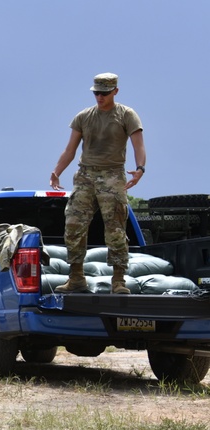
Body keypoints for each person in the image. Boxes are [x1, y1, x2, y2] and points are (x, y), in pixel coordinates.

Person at [50, 73, 146, 295]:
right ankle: (75, 278)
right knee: (73, 225)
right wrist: (56, 171)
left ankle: (119, 280)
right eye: (96, 93)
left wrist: (140, 168)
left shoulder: (126, 115)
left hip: (113, 175)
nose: (100, 97)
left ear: (115, 91)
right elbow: (70, 149)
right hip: (85, 175)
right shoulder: (84, 116)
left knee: (115, 229)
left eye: (104, 93)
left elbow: (138, 145)